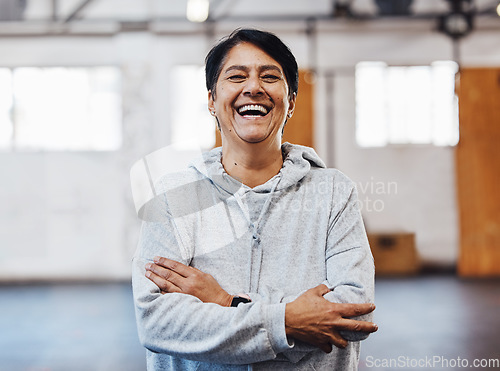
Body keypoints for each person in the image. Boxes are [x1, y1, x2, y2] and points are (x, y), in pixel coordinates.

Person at [132, 28, 377, 370]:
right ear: (211, 101)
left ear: (290, 101)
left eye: (269, 76)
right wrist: (289, 320)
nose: (253, 87)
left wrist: (225, 302)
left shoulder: (333, 192)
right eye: (236, 76)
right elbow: (158, 322)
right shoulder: (173, 196)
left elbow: (352, 311)